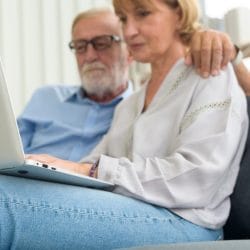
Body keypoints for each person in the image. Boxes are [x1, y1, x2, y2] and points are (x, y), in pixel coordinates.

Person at [1, 0, 248, 249]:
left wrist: (91, 170)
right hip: (137, 207)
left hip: (187, 220)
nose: (128, 31)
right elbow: (91, 162)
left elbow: (198, 178)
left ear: (180, 13)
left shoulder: (211, 74)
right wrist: (46, 169)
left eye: (143, 13)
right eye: (122, 18)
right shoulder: (130, 104)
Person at [17, 8, 248, 162]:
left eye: (102, 43)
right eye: (80, 46)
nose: (89, 56)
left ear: (129, 52)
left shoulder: (146, 109)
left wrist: (229, 54)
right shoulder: (45, 98)